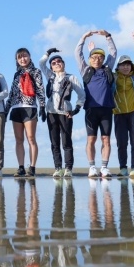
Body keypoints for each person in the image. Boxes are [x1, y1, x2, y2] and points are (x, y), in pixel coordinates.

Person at [75, 30, 117, 178]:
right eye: (94, 57)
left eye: (100, 57)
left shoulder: (107, 69)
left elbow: (113, 52)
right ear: (89, 59)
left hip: (106, 109)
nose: (97, 60)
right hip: (91, 110)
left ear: (103, 59)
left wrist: (108, 36)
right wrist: (83, 37)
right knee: (91, 139)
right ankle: (92, 167)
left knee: (106, 139)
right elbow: (77, 53)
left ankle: (104, 167)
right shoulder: (85, 70)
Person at [39, 48, 85, 178]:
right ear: (51, 68)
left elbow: (82, 95)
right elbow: (41, 64)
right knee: (54, 142)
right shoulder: (50, 76)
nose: (57, 63)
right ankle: (58, 168)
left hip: (66, 113)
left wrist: (76, 109)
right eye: (53, 63)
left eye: (59, 61)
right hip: (51, 113)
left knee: (66, 142)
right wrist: (48, 53)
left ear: (63, 64)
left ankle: (68, 168)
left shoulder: (71, 77)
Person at [5, 48, 45, 178]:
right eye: (19, 57)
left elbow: (40, 89)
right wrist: (7, 109)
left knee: (31, 138)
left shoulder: (36, 72)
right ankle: (21, 167)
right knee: (19, 140)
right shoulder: (16, 74)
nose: (23, 59)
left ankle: (32, 167)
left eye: (25, 56)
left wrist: (42, 106)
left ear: (29, 56)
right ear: (17, 60)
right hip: (16, 108)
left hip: (30, 107)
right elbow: (12, 93)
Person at [113, 31, 134, 178]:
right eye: (122, 65)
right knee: (121, 143)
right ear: (118, 67)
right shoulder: (114, 77)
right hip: (118, 113)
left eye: (128, 64)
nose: (126, 67)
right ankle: (123, 168)